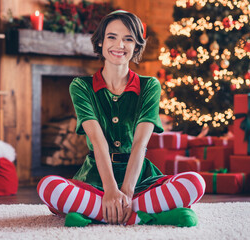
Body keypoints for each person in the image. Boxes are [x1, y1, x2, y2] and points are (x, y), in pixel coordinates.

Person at [37, 10, 205, 227]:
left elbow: (140, 144)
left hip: (140, 178)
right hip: (96, 177)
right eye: (112, 37)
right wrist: (110, 190)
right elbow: (98, 142)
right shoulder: (81, 87)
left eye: (128, 39)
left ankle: (97, 214)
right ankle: (146, 215)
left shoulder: (149, 86)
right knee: (47, 187)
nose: (120, 45)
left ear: (136, 46)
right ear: (100, 42)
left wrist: (125, 191)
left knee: (195, 183)